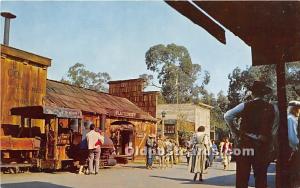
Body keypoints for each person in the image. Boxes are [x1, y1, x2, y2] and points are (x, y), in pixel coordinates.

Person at [224, 80, 275, 188]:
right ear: (264, 94)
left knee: (242, 178)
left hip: (244, 145)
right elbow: (274, 129)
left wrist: (235, 132)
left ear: (252, 93)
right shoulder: (272, 108)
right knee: (261, 178)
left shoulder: (245, 105)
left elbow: (227, 116)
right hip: (262, 146)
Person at [287, 101, 300, 187]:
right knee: (294, 173)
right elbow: (292, 137)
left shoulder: (293, 118)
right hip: (293, 149)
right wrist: (296, 145)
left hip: (294, 149)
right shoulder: (290, 119)